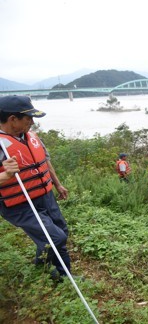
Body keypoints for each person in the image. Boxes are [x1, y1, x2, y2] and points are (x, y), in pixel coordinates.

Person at [0, 95, 72, 281]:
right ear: (12, 119)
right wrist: (6, 175)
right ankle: (55, 274)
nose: (32, 122)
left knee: (61, 231)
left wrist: (57, 184)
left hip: (44, 194)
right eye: (28, 118)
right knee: (54, 238)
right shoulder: (1, 144)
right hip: (18, 203)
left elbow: (44, 162)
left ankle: (52, 270)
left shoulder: (31, 137)